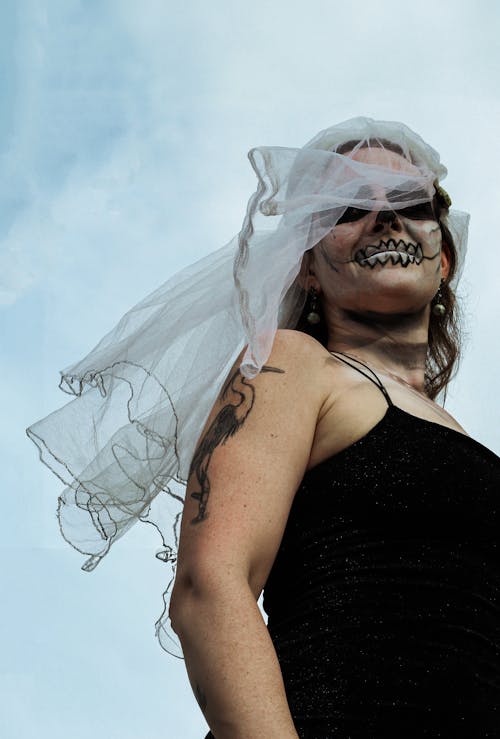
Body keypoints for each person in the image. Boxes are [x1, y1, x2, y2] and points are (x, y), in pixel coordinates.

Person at [27, 119, 500, 737]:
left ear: (445, 260)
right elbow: (209, 588)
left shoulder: (472, 449)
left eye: (410, 202)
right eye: (347, 208)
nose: (384, 220)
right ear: (305, 267)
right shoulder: (290, 366)